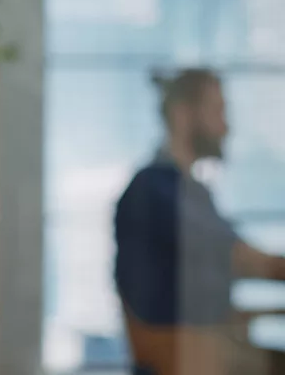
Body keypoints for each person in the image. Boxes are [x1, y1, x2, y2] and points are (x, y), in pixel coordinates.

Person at [114, 68, 285, 375]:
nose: (226, 127)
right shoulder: (157, 189)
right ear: (183, 114)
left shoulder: (189, 191)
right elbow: (244, 260)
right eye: (217, 111)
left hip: (208, 352)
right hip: (190, 360)